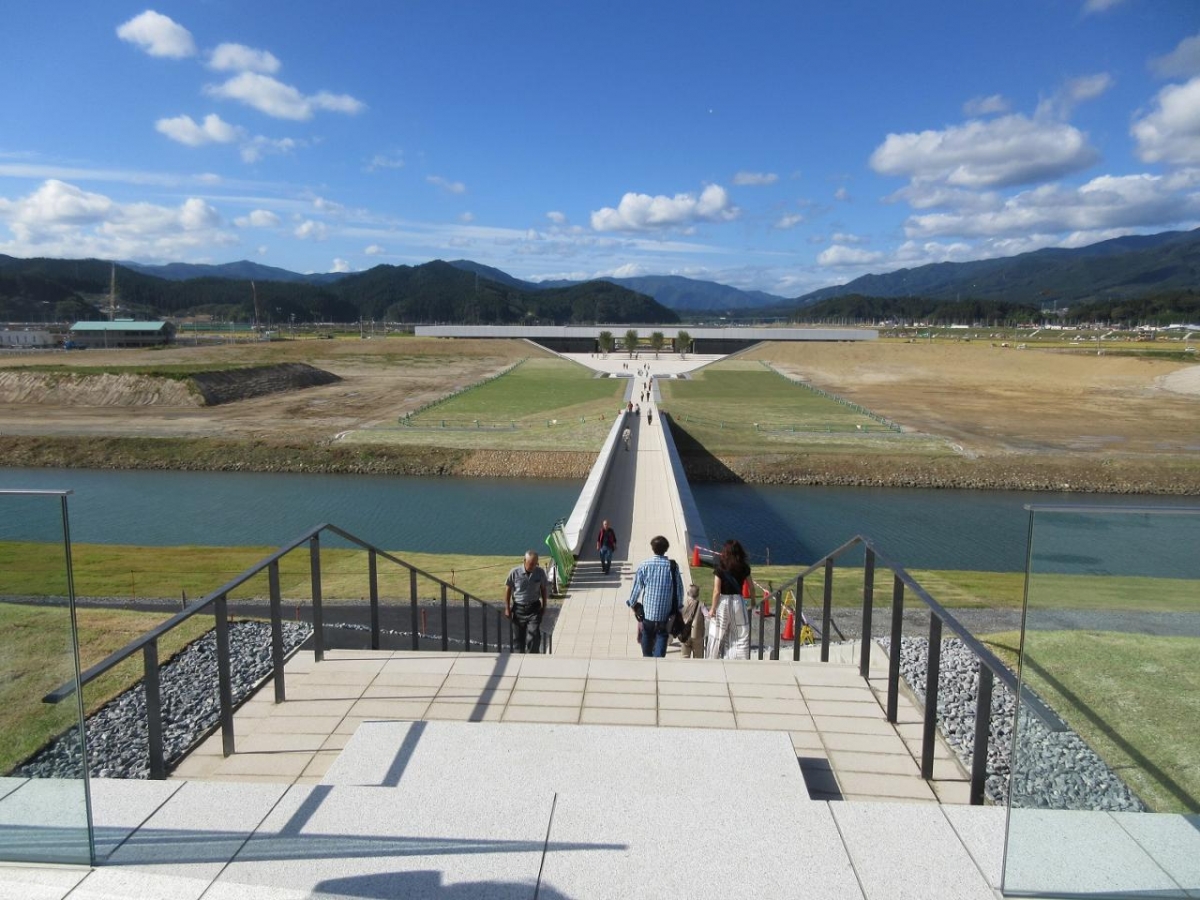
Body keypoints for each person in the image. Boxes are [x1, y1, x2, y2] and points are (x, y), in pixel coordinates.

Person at [626, 535, 682, 657]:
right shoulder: (673, 567)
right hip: (664, 616)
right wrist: (678, 607)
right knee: (662, 638)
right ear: (666, 549)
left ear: (652, 548)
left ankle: (647, 659)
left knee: (646, 636)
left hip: (648, 615)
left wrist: (632, 603)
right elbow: (679, 590)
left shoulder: (645, 565)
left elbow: (637, 588)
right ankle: (657, 663)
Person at [705, 539, 751, 659]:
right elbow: (751, 586)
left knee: (717, 632)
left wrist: (712, 609)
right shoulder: (744, 567)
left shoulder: (721, 567)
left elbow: (716, 591)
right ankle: (738, 658)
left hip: (723, 602)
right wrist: (754, 602)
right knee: (740, 634)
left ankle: (712, 658)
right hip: (738, 601)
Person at [504, 550, 549, 653]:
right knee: (518, 641)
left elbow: (543, 589)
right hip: (518, 609)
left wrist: (544, 606)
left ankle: (532, 660)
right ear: (524, 561)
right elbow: (508, 590)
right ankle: (519, 661)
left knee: (533, 636)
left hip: (534, 609)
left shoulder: (540, 572)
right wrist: (507, 608)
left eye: (535, 564)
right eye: (531, 564)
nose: (533, 566)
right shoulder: (514, 572)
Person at [678, 583, 706, 658]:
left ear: (688, 593)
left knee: (685, 656)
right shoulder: (701, 605)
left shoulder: (683, 604)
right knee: (698, 656)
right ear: (698, 594)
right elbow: (707, 616)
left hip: (684, 633)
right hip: (697, 633)